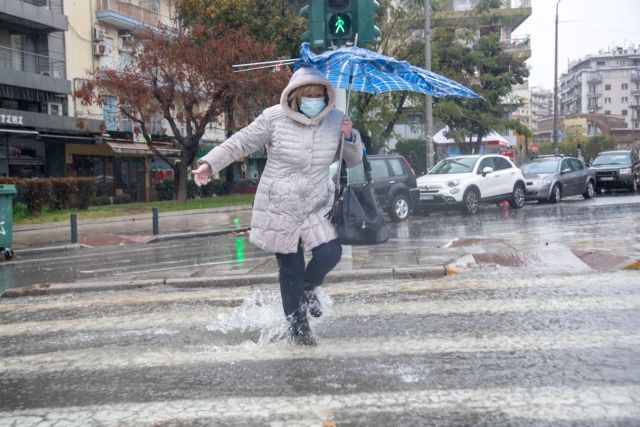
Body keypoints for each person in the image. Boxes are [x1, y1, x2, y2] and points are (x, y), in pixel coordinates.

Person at [191, 67, 363, 345]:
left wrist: (350, 135)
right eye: (308, 95)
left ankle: (309, 287)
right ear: (295, 95)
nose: (313, 100)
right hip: (279, 206)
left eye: (318, 95)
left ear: (326, 95)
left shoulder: (335, 121)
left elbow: (353, 159)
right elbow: (241, 143)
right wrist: (209, 165)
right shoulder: (274, 118)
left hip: (314, 206)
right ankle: (299, 330)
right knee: (291, 269)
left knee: (331, 253)